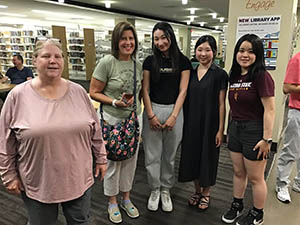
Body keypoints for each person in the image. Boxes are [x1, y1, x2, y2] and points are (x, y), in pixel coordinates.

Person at [0, 39, 107, 225]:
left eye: (58, 56)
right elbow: (5, 141)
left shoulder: (79, 92)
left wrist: (101, 158)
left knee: (80, 221)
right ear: (34, 60)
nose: (53, 61)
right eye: (46, 56)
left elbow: (95, 130)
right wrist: (8, 175)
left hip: (77, 177)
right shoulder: (17, 96)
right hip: (38, 180)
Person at [89, 21, 143, 224]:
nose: (128, 42)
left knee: (131, 161)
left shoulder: (138, 64)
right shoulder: (107, 62)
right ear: (116, 41)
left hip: (133, 119)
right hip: (112, 119)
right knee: (112, 161)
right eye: (124, 39)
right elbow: (94, 92)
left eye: (131, 38)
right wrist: (113, 101)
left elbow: (139, 93)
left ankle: (126, 198)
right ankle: (112, 201)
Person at [221, 34, 275, 225]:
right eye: (241, 50)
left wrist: (267, 139)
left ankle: (257, 213)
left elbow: (270, 109)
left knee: (255, 177)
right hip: (235, 128)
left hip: (254, 131)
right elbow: (233, 106)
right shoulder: (234, 76)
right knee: (238, 172)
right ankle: (237, 205)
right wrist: (228, 131)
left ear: (258, 55)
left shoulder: (261, 76)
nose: (245, 55)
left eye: (251, 51)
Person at [142, 22, 191, 212]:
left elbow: (183, 90)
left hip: (174, 110)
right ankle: (154, 190)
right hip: (153, 109)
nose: (160, 42)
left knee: (169, 156)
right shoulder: (149, 61)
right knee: (152, 155)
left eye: (163, 37)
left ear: (171, 37)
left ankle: (165, 190)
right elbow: (145, 89)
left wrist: (174, 116)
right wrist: (150, 114)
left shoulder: (183, 61)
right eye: (156, 39)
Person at [178, 35, 228, 210]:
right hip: (191, 123)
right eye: (200, 49)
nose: (203, 53)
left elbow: (222, 103)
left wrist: (221, 129)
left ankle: (206, 193)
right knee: (192, 157)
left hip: (210, 124)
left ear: (214, 52)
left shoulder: (220, 74)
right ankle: (197, 190)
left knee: (208, 158)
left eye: (207, 50)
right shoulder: (190, 73)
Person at [275, 52, 300, 203]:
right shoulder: (297, 59)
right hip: (297, 111)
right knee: (291, 150)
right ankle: (282, 184)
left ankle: (298, 182)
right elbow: (286, 88)